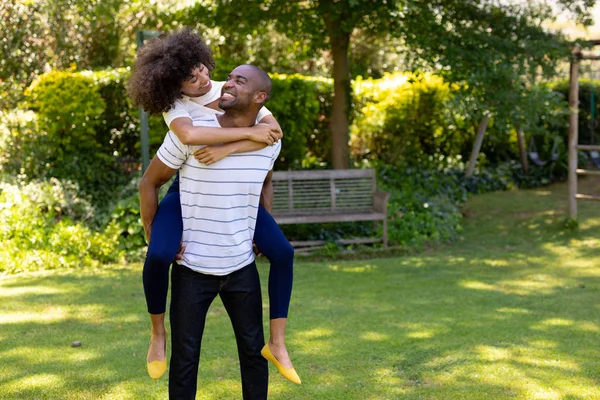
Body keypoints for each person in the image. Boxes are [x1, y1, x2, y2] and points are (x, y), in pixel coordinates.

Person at [127, 29, 299, 384]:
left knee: (283, 252)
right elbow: (188, 138)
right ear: (177, 88)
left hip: (239, 200)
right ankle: (158, 334)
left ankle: (278, 342)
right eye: (192, 79)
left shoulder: (228, 87)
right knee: (158, 255)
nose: (204, 79)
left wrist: (231, 146)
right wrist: (150, 231)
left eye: (203, 68)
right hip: (183, 190)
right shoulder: (176, 107)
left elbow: (271, 131)